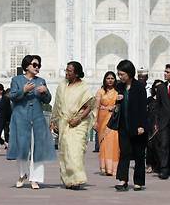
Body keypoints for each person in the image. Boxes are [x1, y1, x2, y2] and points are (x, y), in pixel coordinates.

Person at [7, 55, 56, 190]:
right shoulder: (16, 80)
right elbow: (12, 96)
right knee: (22, 147)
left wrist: (45, 92)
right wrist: (24, 90)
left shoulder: (41, 81)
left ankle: (35, 179)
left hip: (37, 118)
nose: (37, 68)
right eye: (34, 65)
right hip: (21, 117)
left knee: (37, 148)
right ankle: (22, 174)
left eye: (39, 65)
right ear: (27, 66)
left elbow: (47, 100)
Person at [51, 61, 95, 190]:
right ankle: (68, 180)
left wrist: (78, 118)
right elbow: (57, 104)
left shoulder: (84, 87)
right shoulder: (62, 85)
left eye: (70, 71)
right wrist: (54, 121)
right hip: (64, 123)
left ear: (76, 73)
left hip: (78, 123)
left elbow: (89, 106)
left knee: (75, 151)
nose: (67, 73)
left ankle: (77, 179)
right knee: (65, 152)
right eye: (66, 70)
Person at [114, 59, 147, 192]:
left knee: (139, 154)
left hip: (137, 126)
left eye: (122, 74)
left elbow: (143, 108)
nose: (120, 77)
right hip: (124, 126)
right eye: (119, 74)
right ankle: (123, 180)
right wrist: (117, 101)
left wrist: (141, 125)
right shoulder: (119, 87)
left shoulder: (139, 87)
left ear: (129, 73)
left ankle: (138, 182)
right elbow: (115, 106)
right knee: (124, 153)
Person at [94, 71, 119, 176]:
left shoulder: (118, 91)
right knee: (104, 144)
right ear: (105, 79)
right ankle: (105, 168)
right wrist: (94, 121)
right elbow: (96, 107)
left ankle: (112, 169)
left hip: (113, 120)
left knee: (113, 143)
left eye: (112, 78)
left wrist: (114, 108)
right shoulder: (100, 91)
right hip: (102, 120)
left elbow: (119, 105)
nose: (110, 80)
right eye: (108, 78)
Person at [146, 79, 163, 174]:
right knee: (150, 145)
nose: (158, 89)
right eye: (156, 87)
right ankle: (149, 164)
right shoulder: (149, 99)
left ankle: (159, 165)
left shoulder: (165, 100)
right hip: (150, 123)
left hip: (161, 124)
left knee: (160, 146)